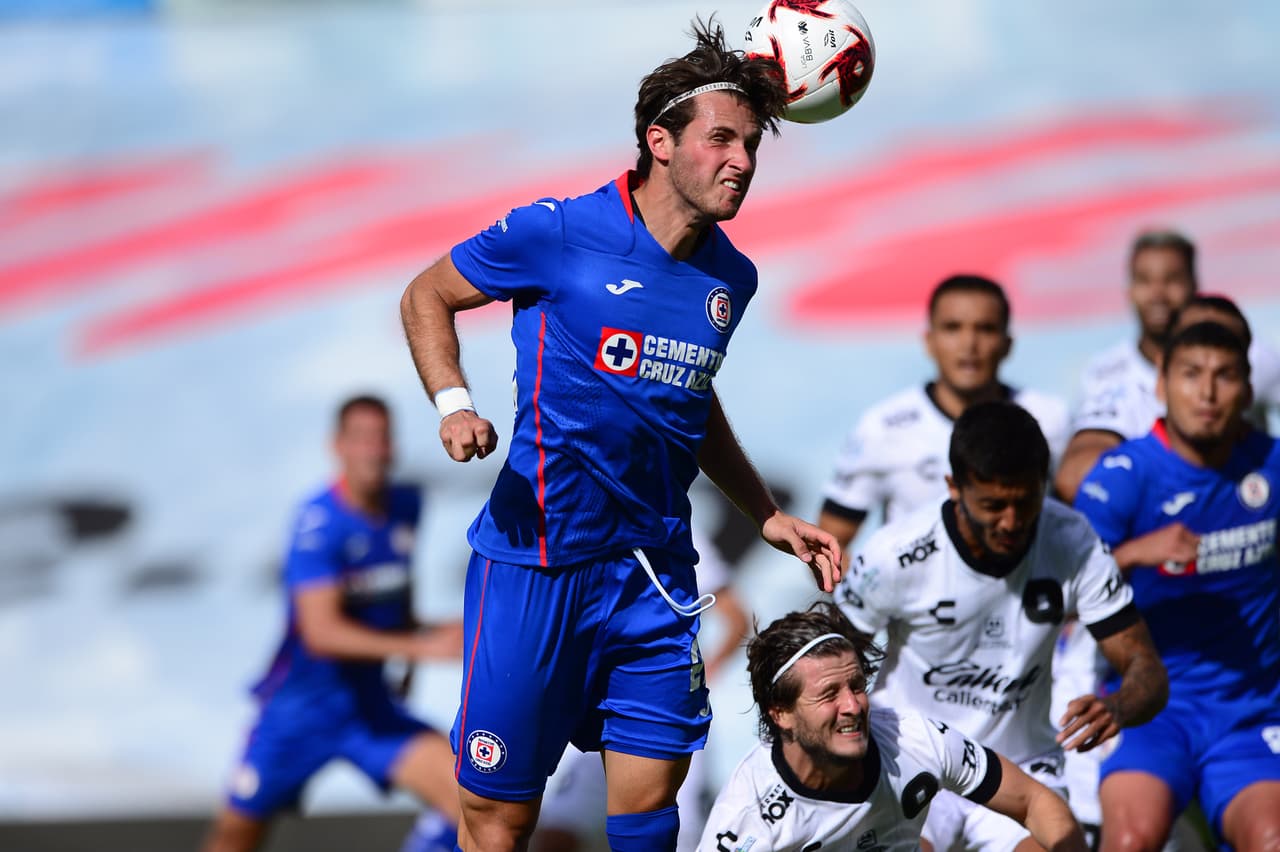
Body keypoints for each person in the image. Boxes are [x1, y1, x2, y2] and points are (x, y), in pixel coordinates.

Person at [399, 20, 841, 852]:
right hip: (534, 566)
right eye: (721, 139)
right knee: (497, 819)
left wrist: (765, 514)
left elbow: (688, 396)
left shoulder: (730, 278)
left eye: (751, 144)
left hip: (652, 576)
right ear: (659, 140)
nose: (742, 161)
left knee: (646, 813)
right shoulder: (558, 232)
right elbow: (426, 295)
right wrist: (453, 403)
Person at [835, 400, 1167, 852]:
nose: (1011, 522)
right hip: (912, 757)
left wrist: (1118, 707)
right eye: (993, 505)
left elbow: (1146, 669)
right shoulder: (894, 554)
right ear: (955, 487)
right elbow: (827, 660)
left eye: (1024, 502)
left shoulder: (1074, 542)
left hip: (1024, 767)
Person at [202, 395, 463, 852]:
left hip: (368, 710)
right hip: (299, 712)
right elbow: (322, 633)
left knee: (468, 801)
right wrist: (422, 647)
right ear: (337, 446)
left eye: (381, 438)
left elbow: (396, 595)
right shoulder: (317, 522)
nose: (373, 449)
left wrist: (421, 641)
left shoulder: (406, 506)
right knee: (234, 838)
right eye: (361, 438)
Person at [1073, 321, 1280, 852]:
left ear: (1248, 389)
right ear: (1161, 385)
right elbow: (1056, 594)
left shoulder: (1271, 465)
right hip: (1150, 708)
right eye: (1191, 375)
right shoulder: (1123, 475)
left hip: (1251, 712)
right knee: (1130, 841)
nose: (1207, 394)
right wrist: (1133, 554)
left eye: (1224, 376)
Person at [697, 602, 1089, 852]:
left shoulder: (914, 737)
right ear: (780, 713)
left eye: (856, 686)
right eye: (829, 694)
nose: (852, 706)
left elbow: (1034, 801)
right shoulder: (749, 819)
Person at [532, 527, 750, 852]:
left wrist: (700, 676)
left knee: (672, 836)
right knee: (556, 832)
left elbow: (735, 617)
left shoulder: (673, 527)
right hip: (592, 707)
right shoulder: (571, 522)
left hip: (659, 707)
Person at [818, 274, 1069, 553]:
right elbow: (829, 542)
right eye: (952, 328)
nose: (969, 344)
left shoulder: (1050, 418)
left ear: (1008, 343)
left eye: (985, 329)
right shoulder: (883, 428)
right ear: (929, 340)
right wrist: (874, 594)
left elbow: (1077, 526)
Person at [1054, 230, 1280, 503]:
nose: (1158, 294)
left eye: (1172, 279)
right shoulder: (1108, 375)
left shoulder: (1256, 358)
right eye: (1145, 281)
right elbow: (1074, 478)